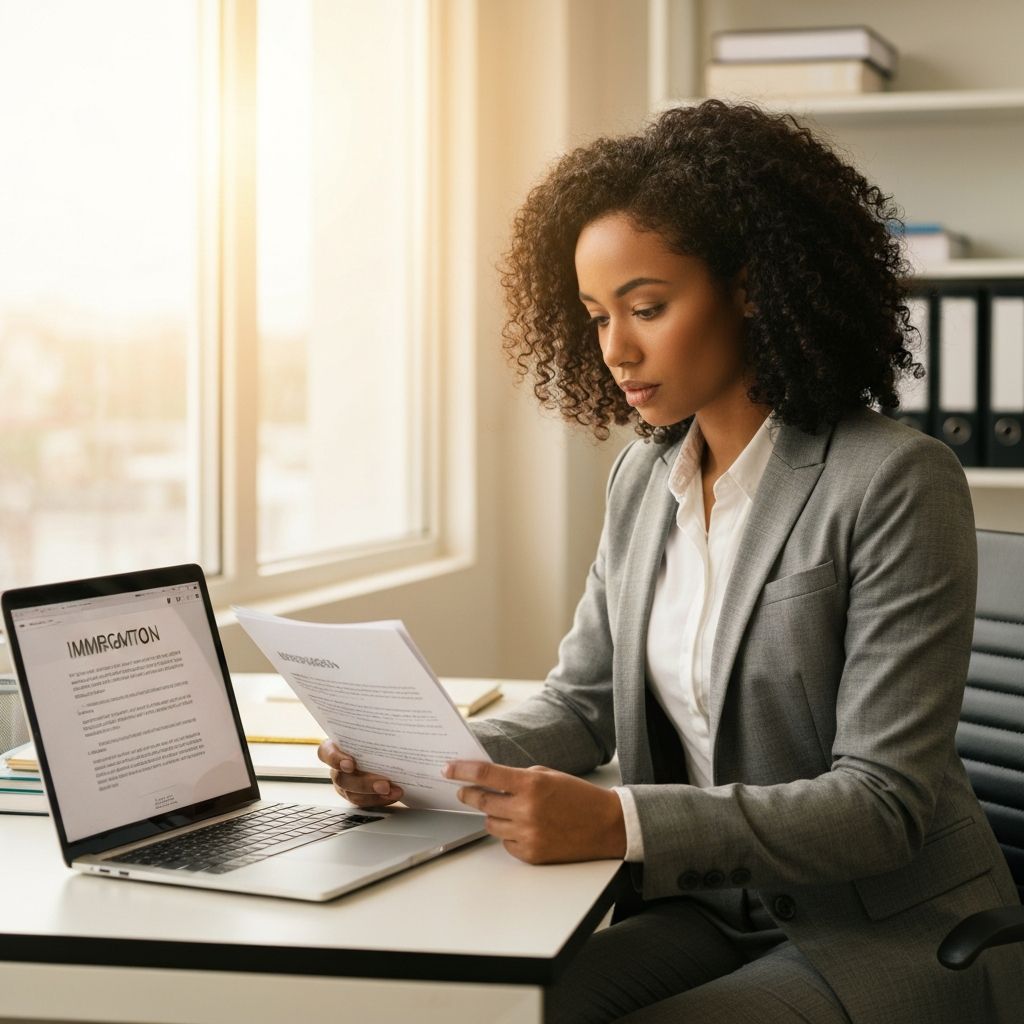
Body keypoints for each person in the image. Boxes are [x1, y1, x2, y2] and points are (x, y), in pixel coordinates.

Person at [317, 99, 1024, 1022]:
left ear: (754, 287)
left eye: (647, 307)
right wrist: (429, 765)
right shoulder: (643, 480)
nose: (616, 349)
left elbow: (882, 803)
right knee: (491, 1010)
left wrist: (620, 822)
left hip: (888, 927)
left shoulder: (894, 480)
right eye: (596, 315)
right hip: (719, 906)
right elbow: (581, 703)